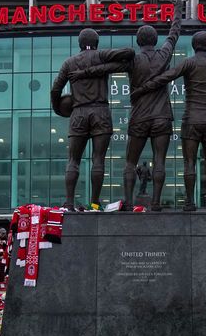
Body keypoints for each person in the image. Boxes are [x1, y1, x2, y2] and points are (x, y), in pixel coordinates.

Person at [70, 18, 181, 210]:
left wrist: (83, 73)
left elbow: (107, 68)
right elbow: (173, 34)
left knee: (130, 162)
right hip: (162, 116)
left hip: (139, 117)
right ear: (155, 40)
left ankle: (129, 202)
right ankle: (155, 202)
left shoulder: (133, 60)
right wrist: (178, 11)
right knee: (160, 160)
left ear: (138, 42)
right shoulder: (164, 55)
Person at [131, 31, 206, 211]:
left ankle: (190, 202)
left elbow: (166, 77)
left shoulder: (188, 63)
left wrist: (142, 89)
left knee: (189, 162)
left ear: (194, 45)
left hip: (191, 119)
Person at [50, 29, 135, 210]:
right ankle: (95, 203)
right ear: (96, 42)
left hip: (78, 113)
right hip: (100, 111)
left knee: (73, 160)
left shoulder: (69, 63)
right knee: (99, 159)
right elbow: (129, 52)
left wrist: (59, 109)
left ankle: (69, 202)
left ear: (80, 43)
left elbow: (55, 90)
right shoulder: (101, 55)